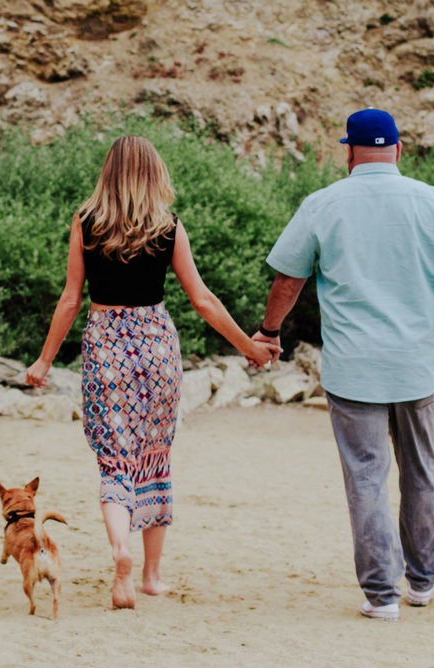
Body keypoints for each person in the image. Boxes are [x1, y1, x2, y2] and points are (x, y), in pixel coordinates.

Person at [26, 135, 280, 610]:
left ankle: (119, 548)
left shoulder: (85, 223)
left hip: (106, 345)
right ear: (153, 173)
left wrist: (43, 360)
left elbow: (70, 299)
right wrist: (250, 347)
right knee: (154, 458)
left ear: (108, 173)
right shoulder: (168, 226)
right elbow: (202, 300)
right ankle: (151, 576)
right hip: (156, 345)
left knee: (115, 461)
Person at [253, 108, 434, 622]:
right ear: (398, 150)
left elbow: (287, 282)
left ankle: (382, 595)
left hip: (354, 368)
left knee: (366, 477)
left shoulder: (322, 204)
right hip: (416, 367)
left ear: (350, 152)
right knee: (421, 471)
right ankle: (422, 583)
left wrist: (268, 333)